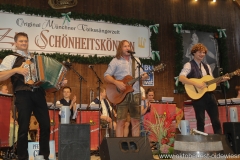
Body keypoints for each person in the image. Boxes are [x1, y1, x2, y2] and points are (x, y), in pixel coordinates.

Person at [0, 32, 67, 160]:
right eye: (21, 41)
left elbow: (46, 83)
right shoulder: (11, 58)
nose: (24, 43)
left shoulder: (35, 58)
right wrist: (16, 70)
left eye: (25, 41)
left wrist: (59, 83)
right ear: (15, 43)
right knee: (24, 127)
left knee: (46, 125)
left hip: (38, 93)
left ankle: (44, 156)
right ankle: (23, 157)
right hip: (23, 94)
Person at [179, 43, 229, 134]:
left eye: (203, 53)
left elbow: (212, 82)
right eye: (199, 52)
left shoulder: (207, 66)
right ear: (193, 53)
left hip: (210, 96)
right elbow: (181, 78)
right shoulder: (188, 65)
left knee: (216, 120)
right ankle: (200, 142)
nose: (202, 54)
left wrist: (221, 79)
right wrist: (195, 83)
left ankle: (220, 141)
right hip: (198, 97)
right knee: (200, 121)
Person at [104, 40, 148, 137]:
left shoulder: (136, 61)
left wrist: (145, 76)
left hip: (135, 93)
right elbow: (106, 75)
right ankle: (119, 146)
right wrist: (116, 82)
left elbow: (143, 74)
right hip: (121, 94)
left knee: (135, 121)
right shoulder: (115, 61)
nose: (127, 48)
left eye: (128, 46)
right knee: (121, 121)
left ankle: (135, 146)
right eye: (125, 46)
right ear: (120, 48)